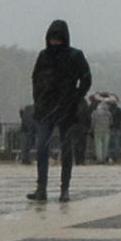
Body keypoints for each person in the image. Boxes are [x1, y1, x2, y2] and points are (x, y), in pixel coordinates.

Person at [27, 18, 92, 203]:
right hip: (46, 108)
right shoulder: (44, 56)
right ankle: (41, 187)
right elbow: (36, 79)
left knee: (66, 150)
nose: (55, 42)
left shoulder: (74, 56)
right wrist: (38, 99)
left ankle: (65, 188)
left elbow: (86, 79)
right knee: (41, 149)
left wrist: (75, 96)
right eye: (52, 39)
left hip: (66, 108)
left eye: (58, 39)